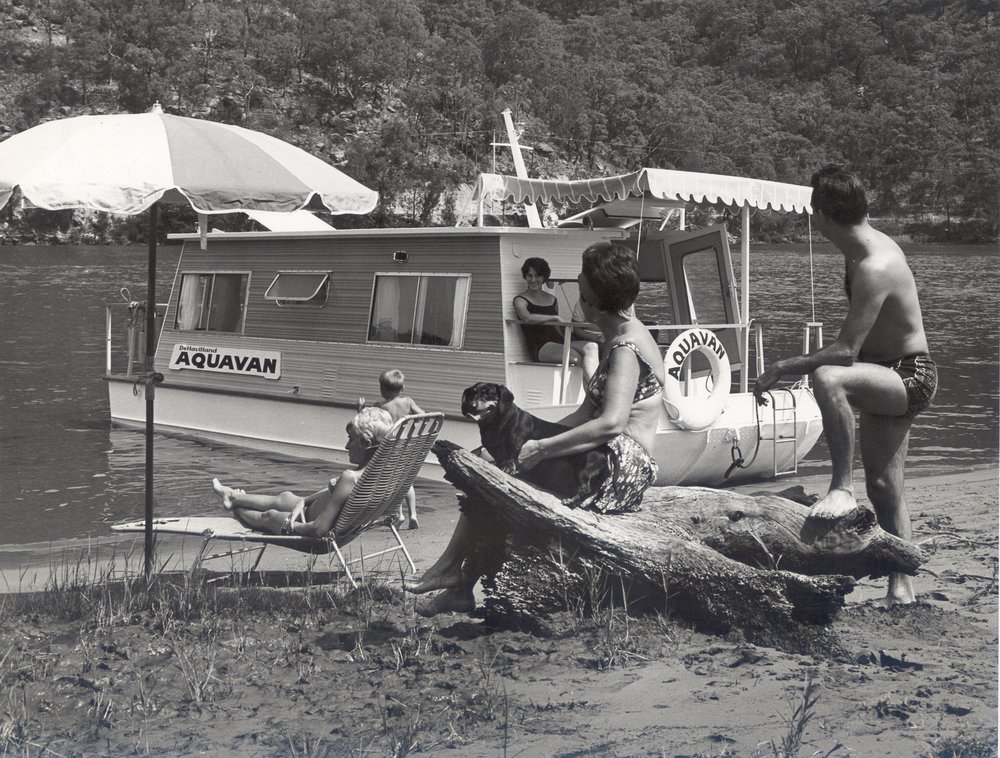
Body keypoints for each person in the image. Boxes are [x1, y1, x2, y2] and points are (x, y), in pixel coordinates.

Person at [404, 241, 664, 616]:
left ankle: (453, 572)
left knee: (499, 478)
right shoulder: (618, 337)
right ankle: (459, 581)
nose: (574, 286)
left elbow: (611, 424)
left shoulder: (625, 347)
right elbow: (581, 416)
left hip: (617, 466)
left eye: (580, 282)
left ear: (593, 297)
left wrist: (541, 450)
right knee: (494, 464)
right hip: (601, 455)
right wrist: (525, 438)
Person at [754, 164, 937, 605]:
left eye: (812, 212)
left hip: (908, 374)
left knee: (828, 378)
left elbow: (844, 352)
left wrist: (783, 365)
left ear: (821, 215)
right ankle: (903, 586)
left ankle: (840, 487)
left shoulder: (875, 263)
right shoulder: (856, 248)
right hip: (884, 372)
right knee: (886, 488)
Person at [212, 407, 394, 537]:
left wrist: (290, 524)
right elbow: (340, 494)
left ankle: (236, 508)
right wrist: (305, 501)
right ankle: (232, 497)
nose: (346, 446)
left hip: (307, 522)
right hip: (311, 510)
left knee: (269, 515)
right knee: (285, 497)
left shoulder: (350, 478)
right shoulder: (382, 472)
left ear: (366, 444)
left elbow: (319, 529)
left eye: (351, 440)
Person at [357, 368, 423, 529]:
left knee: (391, 482)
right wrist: (407, 420)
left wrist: (360, 408)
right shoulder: (408, 401)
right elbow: (422, 415)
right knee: (407, 481)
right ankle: (413, 514)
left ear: (381, 389)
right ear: (403, 388)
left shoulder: (380, 406)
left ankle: (398, 515)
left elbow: (367, 422)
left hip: (388, 449)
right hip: (406, 447)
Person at [514, 257, 599, 379]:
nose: (533, 280)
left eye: (537, 276)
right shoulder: (520, 300)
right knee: (577, 357)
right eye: (529, 276)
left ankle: (595, 389)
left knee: (592, 347)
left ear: (544, 277)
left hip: (557, 341)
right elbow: (527, 318)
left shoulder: (552, 299)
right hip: (541, 346)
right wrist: (555, 317)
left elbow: (557, 328)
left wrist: (568, 335)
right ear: (525, 276)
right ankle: (596, 391)